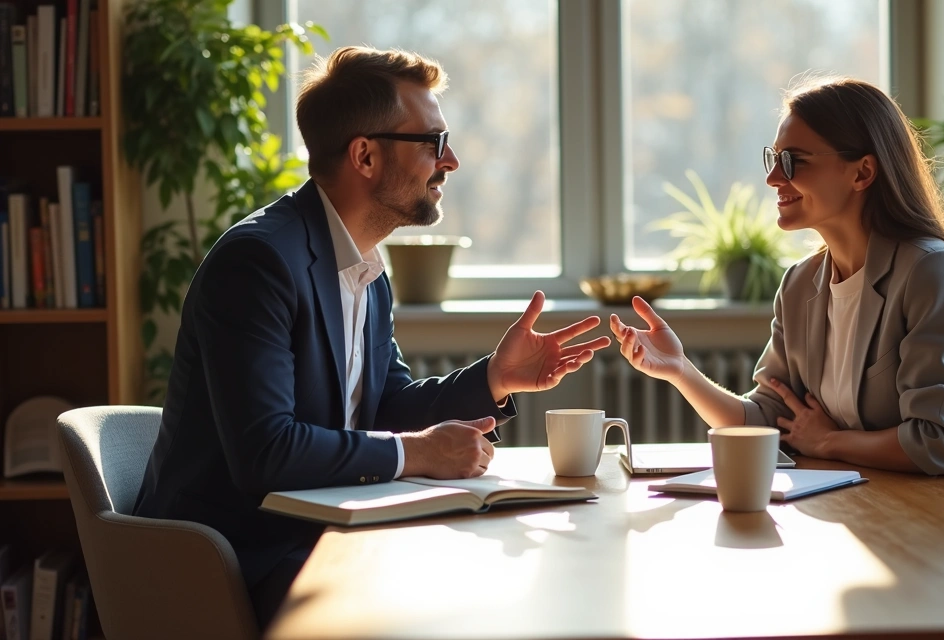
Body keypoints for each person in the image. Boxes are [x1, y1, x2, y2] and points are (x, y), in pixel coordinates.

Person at [133, 46, 613, 628]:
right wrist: (420, 452)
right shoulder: (258, 263)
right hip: (241, 561)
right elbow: (267, 453)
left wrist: (495, 378)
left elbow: (385, 406)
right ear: (364, 155)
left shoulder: (363, 267)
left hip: (320, 533)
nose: (452, 160)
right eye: (433, 142)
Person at [609, 76, 944, 506]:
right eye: (773, 159)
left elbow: (943, 442)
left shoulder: (933, 271)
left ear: (862, 172)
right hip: (883, 509)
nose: (773, 179)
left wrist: (831, 442)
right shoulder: (800, 284)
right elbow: (767, 419)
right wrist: (679, 369)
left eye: (794, 161)